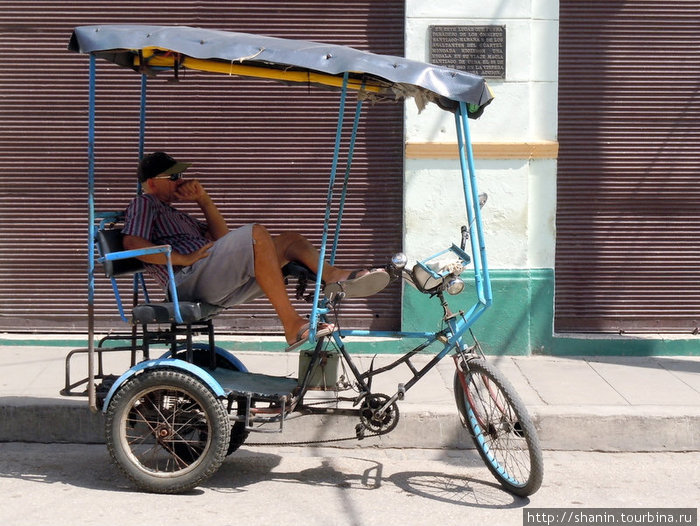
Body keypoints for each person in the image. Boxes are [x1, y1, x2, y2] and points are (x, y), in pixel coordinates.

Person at [122, 151, 389, 350]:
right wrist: (184, 258)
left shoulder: (178, 215)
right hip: (184, 281)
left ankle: (332, 276)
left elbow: (223, 238)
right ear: (153, 183)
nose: (181, 181)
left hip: (207, 276)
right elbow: (132, 245)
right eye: (174, 177)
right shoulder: (145, 204)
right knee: (256, 233)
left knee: (289, 241)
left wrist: (203, 199)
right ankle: (292, 324)